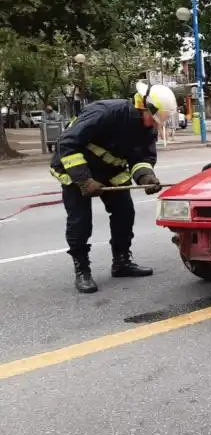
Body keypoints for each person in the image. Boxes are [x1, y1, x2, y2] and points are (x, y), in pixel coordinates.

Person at [50, 82, 178, 293]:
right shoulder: (105, 113)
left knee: (125, 213)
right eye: (155, 118)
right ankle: (82, 269)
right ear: (143, 106)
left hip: (111, 172)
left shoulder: (147, 129)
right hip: (75, 169)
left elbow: (142, 157)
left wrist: (145, 177)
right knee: (80, 221)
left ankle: (121, 262)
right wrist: (84, 180)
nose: (156, 124)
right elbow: (67, 144)